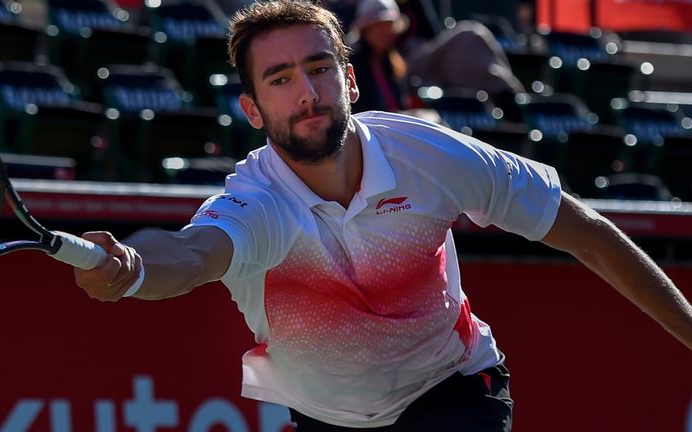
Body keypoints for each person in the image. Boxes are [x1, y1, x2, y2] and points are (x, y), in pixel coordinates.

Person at [75, 1, 692, 430]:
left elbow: (587, 234)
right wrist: (129, 267)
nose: (308, 93)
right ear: (252, 109)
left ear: (350, 78)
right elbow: (189, 254)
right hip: (327, 418)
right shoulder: (254, 204)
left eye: (319, 69)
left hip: (454, 390)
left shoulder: (432, 154)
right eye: (281, 78)